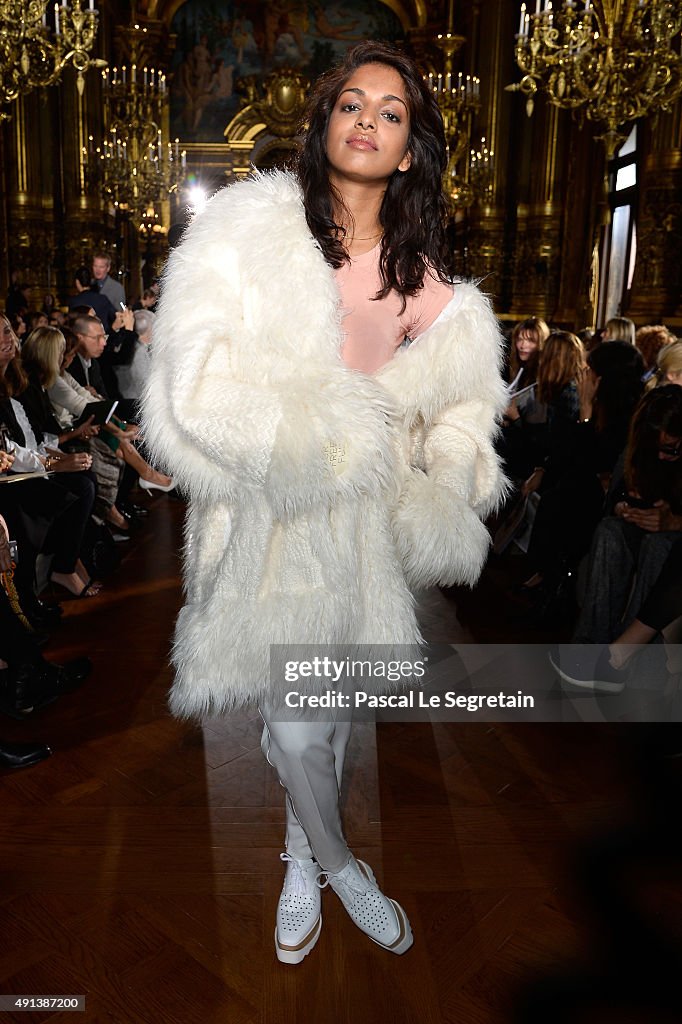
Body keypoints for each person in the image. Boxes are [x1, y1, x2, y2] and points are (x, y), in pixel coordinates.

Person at [142, 41, 507, 963]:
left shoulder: (428, 287)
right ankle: (339, 865)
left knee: (324, 720)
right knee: (302, 730)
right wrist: (326, 438)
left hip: (363, 542)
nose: (369, 122)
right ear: (325, 120)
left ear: (411, 148)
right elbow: (196, 381)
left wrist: (437, 480)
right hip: (271, 517)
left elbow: (457, 412)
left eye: (392, 113)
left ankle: (302, 847)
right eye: (354, 103)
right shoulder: (249, 231)